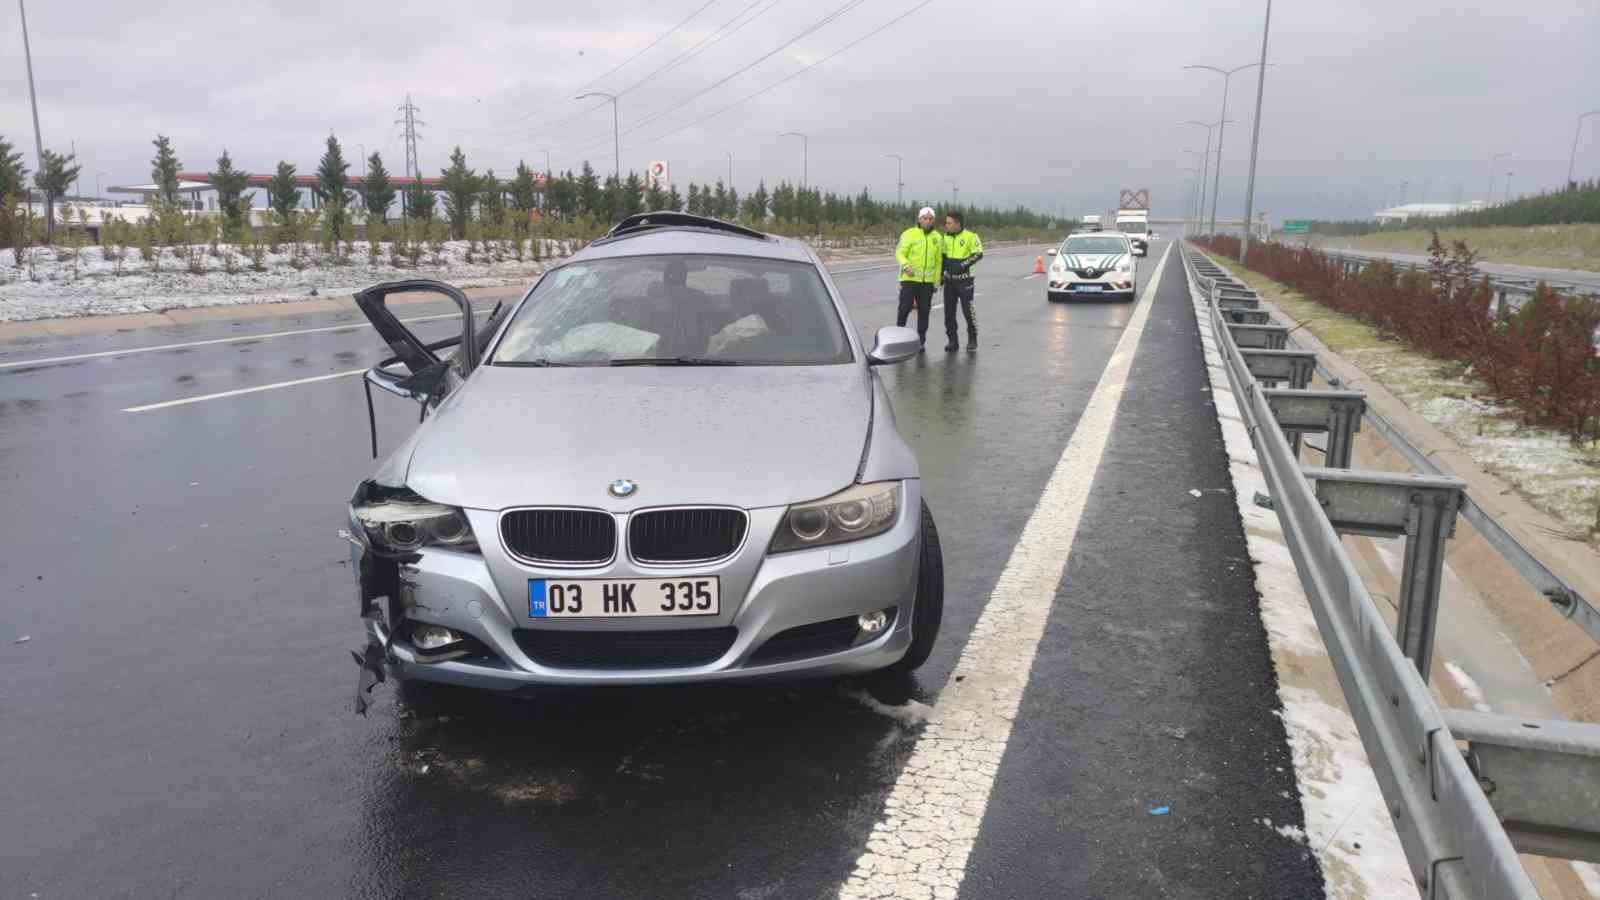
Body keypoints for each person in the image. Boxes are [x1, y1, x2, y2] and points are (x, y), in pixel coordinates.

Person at [895, 207, 944, 350]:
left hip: (927, 283)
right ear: (919, 219)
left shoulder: (937, 237)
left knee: (924, 311)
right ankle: (898, 338)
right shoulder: (909, 234)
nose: (927, 221)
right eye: (925, 218)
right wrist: (906, 265)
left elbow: (938, 261)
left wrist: (936, 281)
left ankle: (921, 341)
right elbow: (899, 253)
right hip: (910, 279)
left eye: (930, 219)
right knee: (904, 308)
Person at [939, 211, 983, 351]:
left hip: (965, 281)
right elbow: (943, 258)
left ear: (957, 223)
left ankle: (972, 338)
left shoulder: (971, 236)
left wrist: (962, 265)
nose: (946, 225)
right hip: (950, 282)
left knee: (968, 310)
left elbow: (978, 254)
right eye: (946, 223)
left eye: (949, 223)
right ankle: (953, 341)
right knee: (948, 313)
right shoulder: (945, 237)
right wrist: (941, 275)